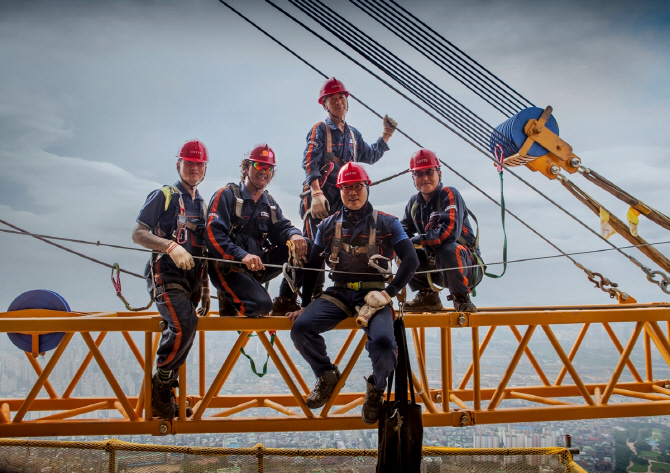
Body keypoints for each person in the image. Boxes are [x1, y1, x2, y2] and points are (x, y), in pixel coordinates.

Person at [288, 162, 419, 425]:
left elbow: (411, 260)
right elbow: (313, 266)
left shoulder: (387, 223)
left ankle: (377, 389)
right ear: (340, 191)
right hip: (338, 293)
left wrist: (389, 293)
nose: (352, 193)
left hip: (375, 296)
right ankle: (326, 375)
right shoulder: (327, 226)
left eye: (358, 186)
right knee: (301, 327)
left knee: (383, 341)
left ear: (367, 188)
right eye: (347, 188)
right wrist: (305, 304)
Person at [131, 139, 211, 419]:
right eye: (188, 163)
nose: (193, 168)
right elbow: (139, 233)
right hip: (165, 275)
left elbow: (204, 250)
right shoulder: (163, 195)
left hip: (190, 282)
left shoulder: (202, 205)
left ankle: (166, 394)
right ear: (179, 165)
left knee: (187, 327)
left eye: (198, 164)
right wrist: (170, 246)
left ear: (204, 170)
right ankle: (160, 386)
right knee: (184, 323)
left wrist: (204, 287)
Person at [300, 77, 397, 295]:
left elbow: (370, 155)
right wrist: (316, 193)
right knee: (311, 248)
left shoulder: (353, 134)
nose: (338, 102)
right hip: (321, 198)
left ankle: (346, 290)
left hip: (343, 199)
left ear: (347, 101)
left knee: (341, 248)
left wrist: (386, 135)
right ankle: (298, 297)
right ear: (324, 104)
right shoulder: (321, 130)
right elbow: (310, 162)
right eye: (332, 99)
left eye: (341, 97)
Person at [206, 143, 309, 318]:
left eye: (268, 167)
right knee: (261, 307)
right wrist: (241, 255)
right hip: (228, 268)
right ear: (246, 167)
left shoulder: (268, 203)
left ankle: (285, 299)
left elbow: (281, 228)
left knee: (304, 245)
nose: (263, 171)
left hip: (256, 267)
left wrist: (295, 234)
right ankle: (229, 296)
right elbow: (213, 234)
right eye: (258, 165)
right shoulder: (226, 195)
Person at [400, 149, 484, 313]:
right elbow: (402, 232)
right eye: (419, 174)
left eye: (429, 172)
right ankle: (427, 296)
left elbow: (448, 234)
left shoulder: (449, 194)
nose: (424, 178)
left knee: (447, 248)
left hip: (466, 267)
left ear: (439, 173)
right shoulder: (414, 204)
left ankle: (461, 298)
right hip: (437, 268)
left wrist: (413, 241)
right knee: (402, 247)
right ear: (413, 178)